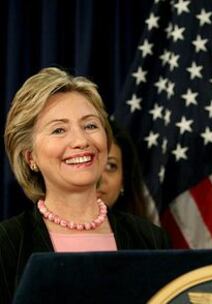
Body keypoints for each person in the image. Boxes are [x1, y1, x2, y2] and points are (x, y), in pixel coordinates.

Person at [0, 67, 170, 303]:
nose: (81, 141)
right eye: (59, 130)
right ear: (31, 158)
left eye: (90, 125)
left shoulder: (151, 239)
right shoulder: (7, 243)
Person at [97, 119, 147, 217]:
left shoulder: (145, 231)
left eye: (110, 166)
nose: (98, 179)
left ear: (124, 180)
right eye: (87, 163)